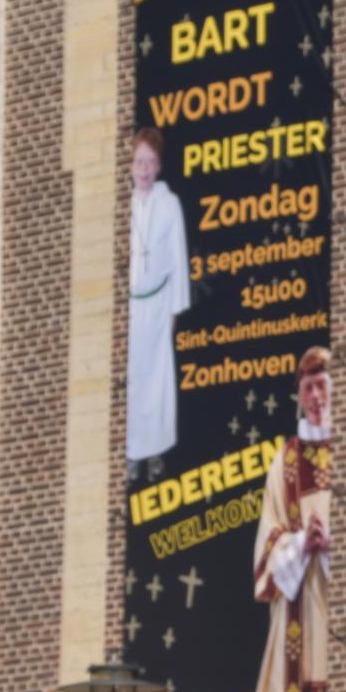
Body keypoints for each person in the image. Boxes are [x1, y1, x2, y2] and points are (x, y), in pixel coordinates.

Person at [248, 345, 336, 692]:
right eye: (309, 388)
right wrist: (306, 541)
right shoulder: (286, 462)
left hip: (341, 610)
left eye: (324, 385)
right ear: (299, 397)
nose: (318, 396)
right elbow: (268, 540)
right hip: (301, 603)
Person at [126, 126, 190, 480]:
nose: (145, 168)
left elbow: (178, 256)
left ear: (159, 166)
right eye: (139, 162)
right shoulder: (126, 204)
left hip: (159, 303)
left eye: (151, 162)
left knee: (157, 380)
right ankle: (133, 454)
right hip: (133, 306)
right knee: (133, 380)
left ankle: (155, 454)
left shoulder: (169, 204)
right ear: (131, 165)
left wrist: (174, 308)